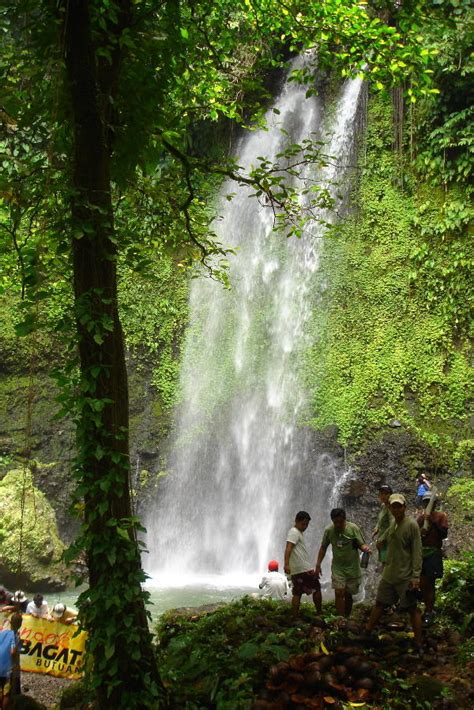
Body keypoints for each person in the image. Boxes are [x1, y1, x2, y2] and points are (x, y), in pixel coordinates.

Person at [365, 493, 423, 653]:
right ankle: (367, 632)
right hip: (390, 573)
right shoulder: (393, 524)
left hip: (405, 575)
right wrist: (380, 540)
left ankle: (418, 643)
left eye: (399, 506)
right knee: (380, 603)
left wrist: (416, 576)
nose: (396, 509)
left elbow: (417, 551)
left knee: (412, 609)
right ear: (389, 508)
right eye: (393, 506)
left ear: (404, 507)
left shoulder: (411, 525)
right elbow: (387, 535)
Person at [315, 508, 370, 617]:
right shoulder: (329, 531)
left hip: (352, 567)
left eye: (341, 522)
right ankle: (340, 619)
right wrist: (318, 564)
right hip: (337, 567)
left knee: (348, 594)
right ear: (332, 521)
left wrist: (365, 549)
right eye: (336, 522)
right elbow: (323, 547)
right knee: (339, 592)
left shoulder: (353, 529)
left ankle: (346, 617)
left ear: (345, 520)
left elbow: (361, 544)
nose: (338, 525)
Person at [417, 491, 448, 626]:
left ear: (435, 503)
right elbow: (416, 536)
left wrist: (432, 522)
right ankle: (427, 609)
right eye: (426, 502)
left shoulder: (441, 516)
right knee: (423, 583)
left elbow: (443, 534)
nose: (428, 504)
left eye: (430, 502)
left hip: (434, 554)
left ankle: (429, 611)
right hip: (421, 554)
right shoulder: (420, 518)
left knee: (429, 583)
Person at [284, 511, 322, 615]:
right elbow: (288, 548)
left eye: (307, 524)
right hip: (303, 568)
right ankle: (319, 612)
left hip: (296, 569)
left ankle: (294, 616)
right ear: (296, 521)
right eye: (303, 524)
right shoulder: (294, 532)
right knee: (316, 588)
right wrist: (286, 564)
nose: (305, 527)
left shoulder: (296, 532)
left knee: (297, 592)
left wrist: (288, 565)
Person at [0, 612, 22, 710]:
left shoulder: (3, 632)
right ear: (20, 624)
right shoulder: (15, 636)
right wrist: (13, 665)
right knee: (7, 693)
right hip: (7, 668)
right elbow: (13, 651)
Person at [372, 485, 394, 568]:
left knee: (387, 564)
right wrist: (377, 528)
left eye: (385, 494)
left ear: (391, 495)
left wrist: (381, 539)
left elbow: (392, 525)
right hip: (382, 539)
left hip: (388, 540)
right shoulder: (383, 506)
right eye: (381, 493)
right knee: (384, 563)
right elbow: (380, 519)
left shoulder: (391, 508)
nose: (383, 496)